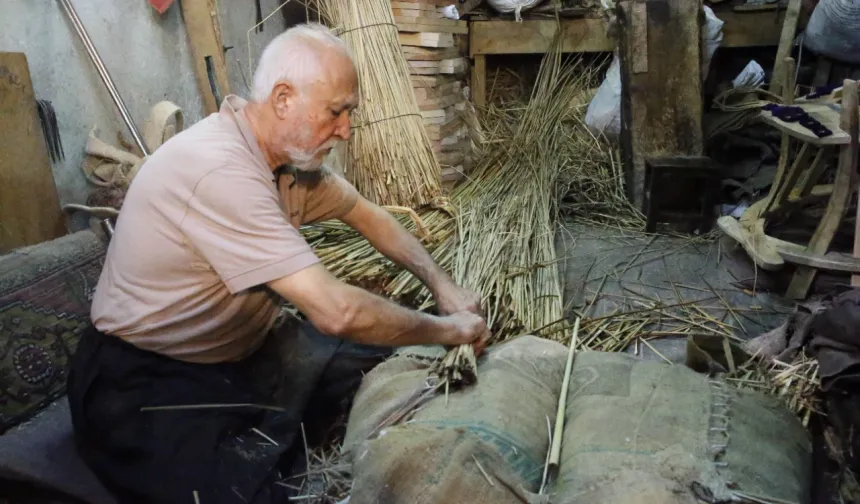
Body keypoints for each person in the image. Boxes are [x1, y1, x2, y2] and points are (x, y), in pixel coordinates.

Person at [67, 23, 489, 504]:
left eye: (348, 113)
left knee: (388, 368)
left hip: (243, 353)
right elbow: (338, 311)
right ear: (284, 99)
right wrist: (449, 329)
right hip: (143, 382)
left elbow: (369, 217)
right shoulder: (221, 171)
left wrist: (443, 287)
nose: (345, 130)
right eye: (335, 112)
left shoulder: (287, 165)